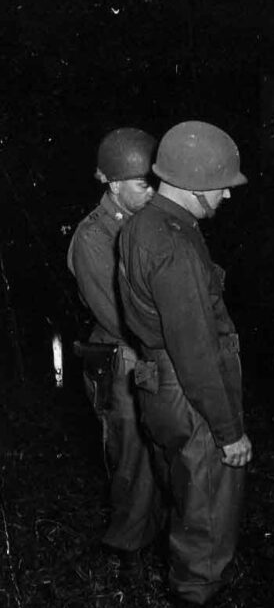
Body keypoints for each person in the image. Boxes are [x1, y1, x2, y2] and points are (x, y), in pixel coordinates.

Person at [118, 120, 251, 608]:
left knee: (183, 487)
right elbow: (195, 350)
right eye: (223, 186)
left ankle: (190, 585)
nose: (229, 196)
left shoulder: (143, 223)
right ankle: (199, 606)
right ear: (194, 185)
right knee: (207, 498)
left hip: (159, 382)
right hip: (187, 387)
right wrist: (228, 429)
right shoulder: (173, 242)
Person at [67, 127, 162, 570]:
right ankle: (124, 552)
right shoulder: (93, 237)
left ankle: (150, 537)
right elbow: (116, 315)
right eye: (144, 184)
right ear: (112, 182)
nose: (153, 192)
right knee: (130, 456)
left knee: (155, 448)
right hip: (118, 358)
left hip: (147, 353)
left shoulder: (145, 222)